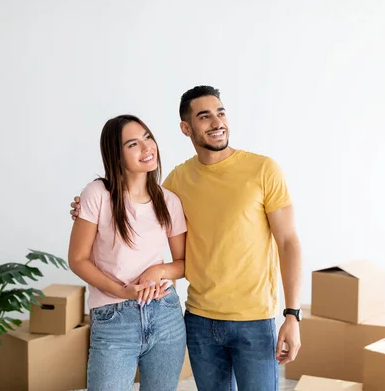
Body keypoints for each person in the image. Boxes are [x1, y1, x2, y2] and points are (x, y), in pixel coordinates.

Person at [71, 86, 303, 391]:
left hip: (253, 320)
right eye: (204, 116)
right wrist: (86, 205)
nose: (217, 122)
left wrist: (293, 315)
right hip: (199, 320)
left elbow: (288, 242)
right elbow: (134, 200)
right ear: (186, 128)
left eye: (220, 113)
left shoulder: (263, 170)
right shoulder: (176, 182)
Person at [68, 114, 187, 391]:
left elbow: (184, 263)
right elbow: (77, 259)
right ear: (115, 154)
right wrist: (123, 291)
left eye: (148, 138)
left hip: (166, 314)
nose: (147, 148)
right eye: (133, 144)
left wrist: (158, 271)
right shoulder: (97, 194)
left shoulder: (169, 201)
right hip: (113, 318)